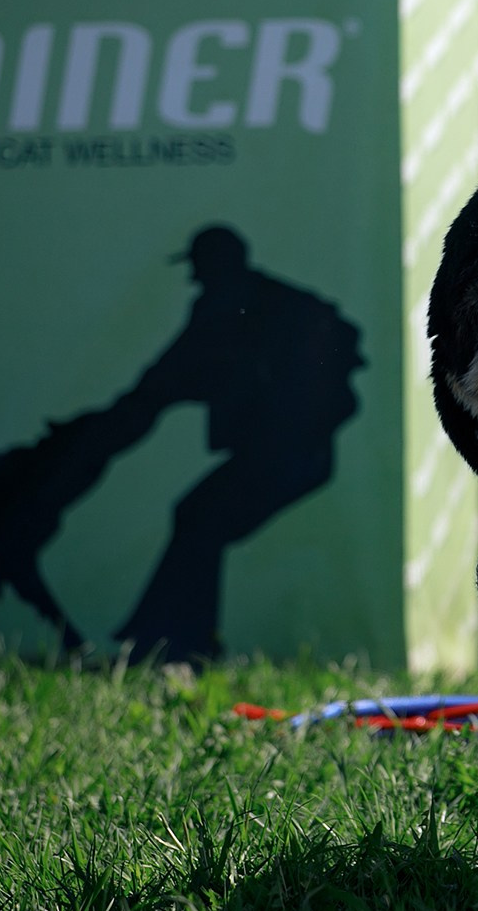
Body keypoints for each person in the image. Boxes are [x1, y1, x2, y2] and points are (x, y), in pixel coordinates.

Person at [111, 224, 364, 659]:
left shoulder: (236, 308)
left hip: (292, 455)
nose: (196, 278)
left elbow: (169, 374)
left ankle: (177, 644)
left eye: (200, 268)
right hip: (285, 452)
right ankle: (166, 639)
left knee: (200, 518)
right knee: (197, 516)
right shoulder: (263, 302)